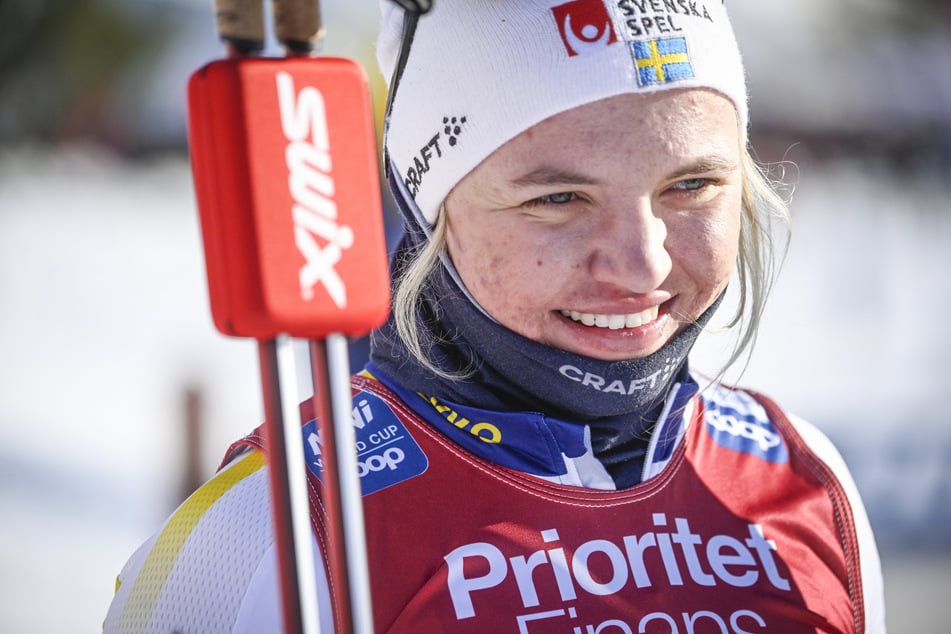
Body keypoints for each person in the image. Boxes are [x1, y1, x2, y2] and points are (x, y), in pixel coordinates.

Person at [104, 1, 886, 632]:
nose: (642, 264)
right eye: (556, 199)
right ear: (431, 209)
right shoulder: (274, 529)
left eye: (691, 187)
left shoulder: (802, 476)